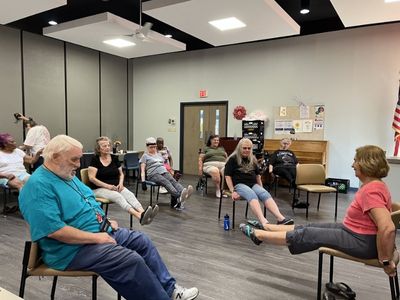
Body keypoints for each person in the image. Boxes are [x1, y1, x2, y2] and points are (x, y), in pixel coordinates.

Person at [19, 135, 199, 300]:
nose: (78, 164)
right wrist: (97, 237)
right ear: (55, 157)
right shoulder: (37, 186)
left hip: (98, 233)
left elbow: (89, 201)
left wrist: (103, 221)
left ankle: (170, 290)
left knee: (142, 241)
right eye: (74, 159)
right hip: (70, 250)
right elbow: (55, 230)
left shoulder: (67, 175)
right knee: (130, 260)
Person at [240, 145, 397, 277]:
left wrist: (385, 260)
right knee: (309, 227)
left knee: (309, 234)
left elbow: (388, 227)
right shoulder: (375, 185)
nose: (352, 165)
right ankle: (267, 227)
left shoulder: (371, 190)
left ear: (366, 164)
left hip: (363, 242)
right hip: (356, 233)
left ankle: (258, 235)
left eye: (355, 161)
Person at [224, 138, 294, 227]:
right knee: (251, 194)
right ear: (239, 148)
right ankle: (262, 220)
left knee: (265, 194)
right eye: (244, 148)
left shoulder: (252, 159)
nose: (247, 150)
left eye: (249, 148)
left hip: (253, 184)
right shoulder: (233, 159)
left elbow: (258, 176)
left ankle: (280, 218)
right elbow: (227, 176)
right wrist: (232, 191)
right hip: (240, 185)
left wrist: (261, 188)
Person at [88, 136, 157, 225]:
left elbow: (121, 174)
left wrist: (121, 184)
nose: (107, 147)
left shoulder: (114, 158)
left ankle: (144, 213)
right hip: (98, 189)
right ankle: (138, 216)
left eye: (108, 145)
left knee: (129, 194)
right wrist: (108, 186)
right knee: (118, 196)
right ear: (98, 148)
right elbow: (92, 178)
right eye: (104, 146)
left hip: (116, 186)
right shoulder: (95, 159)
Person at [140, 137, 193, 210]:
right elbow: (142, 170)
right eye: (151, 147)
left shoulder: (158, 154)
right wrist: (143, 182)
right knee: (166, 182)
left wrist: (170, 170)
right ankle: (179, 196)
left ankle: (185, 193)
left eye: (154, 147)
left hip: (163, 171)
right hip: (153, 174)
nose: (153, 149)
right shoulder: (145, 156)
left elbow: (164, 164)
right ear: (147, 147)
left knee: (173, 181)